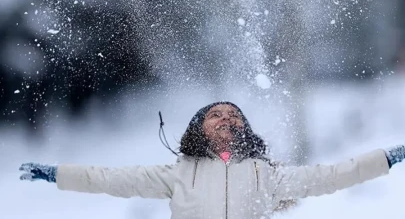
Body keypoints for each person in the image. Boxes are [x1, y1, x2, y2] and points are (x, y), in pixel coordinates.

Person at [19, 101, 405, 219]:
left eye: (234, 115)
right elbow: (109, 178)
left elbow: (332, 176)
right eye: (215, 114)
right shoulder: (176, 174)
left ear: (245, 128)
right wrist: (57, 175)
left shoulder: (267, 176)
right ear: (197, 129)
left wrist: (385, 158)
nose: (226, 118)